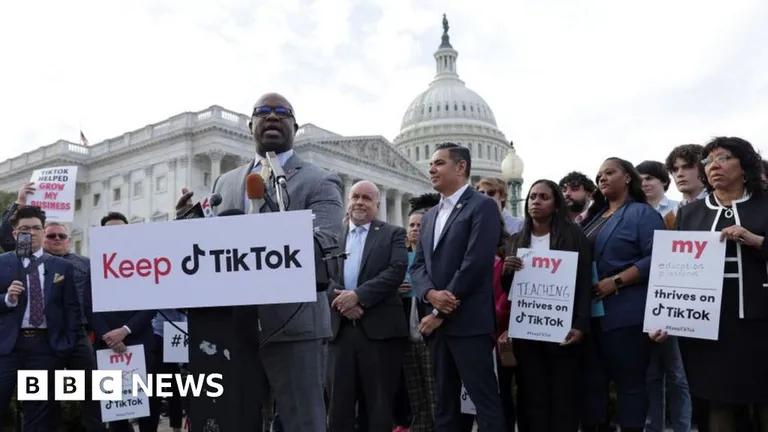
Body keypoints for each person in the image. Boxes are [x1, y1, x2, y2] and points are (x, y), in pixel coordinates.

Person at [181, 92, 344, 431]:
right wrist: (188, 226)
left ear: (294, 127)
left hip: (295, 326)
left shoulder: (321, 180)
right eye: (263, 112)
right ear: (250, 124)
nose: (272, 117)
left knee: (303, 423)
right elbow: (214, 250)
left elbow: (326, 244)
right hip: (233, 328)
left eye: (281, 112)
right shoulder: (225, 182)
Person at [667, 137, 768, 430]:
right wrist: (667, 316)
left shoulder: (764, 204)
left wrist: (757, 240)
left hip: (760, 321)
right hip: (709, 326)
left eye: (723, 158)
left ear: (745, 165)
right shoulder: (689, 213)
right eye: (709, 161)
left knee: (763, 396)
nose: (714, 166)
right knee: (717, 398)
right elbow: (675, 270)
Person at [411, 142, 506, 431]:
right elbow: (417, 266)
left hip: (468, 325)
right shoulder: (428, 217)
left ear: (461, 167)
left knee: (485, 402)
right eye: (431, 164)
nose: (431, 169)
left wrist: (439, 312)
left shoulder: (483, 206)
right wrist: (430, 294)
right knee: (446, 405)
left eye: (439, 163)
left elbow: (475, 263)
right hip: (436, 330)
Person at [580, 157, 664, 432]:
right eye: (599, 174)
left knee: (630, 385)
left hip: (626, 313)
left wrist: (616, 281)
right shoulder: (592, 218)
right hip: (592, 316)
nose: (601, 178)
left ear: (628, 177)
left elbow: (659, 258)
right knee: (593, 385)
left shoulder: (642, 213)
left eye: (609, 172)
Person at [501, 179, 592, 431]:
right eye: (532, 197)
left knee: (563, 398)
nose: (536, 202)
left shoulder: (574, 236)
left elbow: (584, 284)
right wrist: (507, 272)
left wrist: (580, 325)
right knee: (531, 395)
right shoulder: (515, 240)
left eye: (543, 197)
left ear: (556, 204)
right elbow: (511, 292)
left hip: (563, 333)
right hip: (527, 335)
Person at [326, 180, 408, 431]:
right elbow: (319, 274)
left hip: (379, 333)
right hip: (340, 332)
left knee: (378, 408)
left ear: (377, 204)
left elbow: (396, 271)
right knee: (338, 408)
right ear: (348, 201)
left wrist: (358, 296)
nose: (360, 202)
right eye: (355, 197)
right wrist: (342, 302)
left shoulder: (393, 233)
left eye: (366, 198)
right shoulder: (331, 236)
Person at [0, 206, 80, 431]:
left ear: (43, 232)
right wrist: (7, 299)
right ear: (15, 234)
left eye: (37, 228)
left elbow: (71, 309)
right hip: (7, 348)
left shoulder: (62, 266)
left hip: (43, 348)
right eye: (25, 228)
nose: (32, 233)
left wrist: (66, 344)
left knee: (38, 412)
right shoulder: (3, 263)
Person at [639, 158, 693, 432]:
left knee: (676, 374)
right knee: (650, 375)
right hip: (641, 299)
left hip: (673, 300)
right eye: (641, 178)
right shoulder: (632, 212)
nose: (645, 182)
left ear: (663, 181)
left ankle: (682, 427)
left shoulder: (679, 211)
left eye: (651, 177)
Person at [92, 211, 157, 432]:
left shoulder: (145, 262)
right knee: (117, 411)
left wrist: (125, 330)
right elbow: (90, 308)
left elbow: (152, 303)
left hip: (141, 342)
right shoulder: (95, 266)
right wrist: (110, 337)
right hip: (108, 346)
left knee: (148, 405)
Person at [43, 222, 105, 432]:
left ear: (69, 240)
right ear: (43, 238)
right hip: (45, 336)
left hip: (80, 333)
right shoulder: (32, 263)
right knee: (46, 393)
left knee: (91, 389)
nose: (57, 239)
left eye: (62, 235)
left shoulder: (86, 264)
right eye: (52, 236)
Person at [396, 193, 440, 432]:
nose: (414, 229)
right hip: (404, 330)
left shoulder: (434, 259)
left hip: (427, 329)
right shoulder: (399, 258)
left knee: (433, 389)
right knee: (415, 391)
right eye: (411, 225)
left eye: (419, 226)